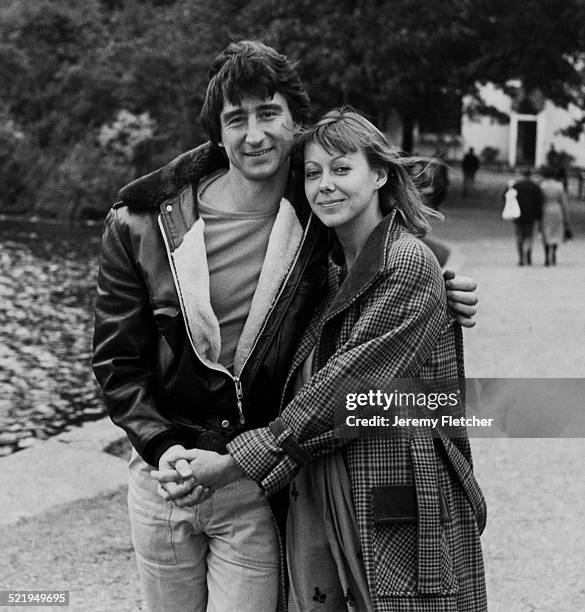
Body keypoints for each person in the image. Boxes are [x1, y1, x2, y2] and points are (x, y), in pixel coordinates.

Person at [93, 41, 479, 611]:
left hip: (258, 476)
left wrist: (438, 290)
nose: (254, 135)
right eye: (235, 120)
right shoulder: (140, 225)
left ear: (294, 122)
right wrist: (163, 444)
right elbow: (117, 362)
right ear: (217, 135)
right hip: (170, 469)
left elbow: (377, 268)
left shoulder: (317, 219)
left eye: (268, 113)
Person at [539, 165, 572, 266]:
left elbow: (539, 200)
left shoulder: (542, 186)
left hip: (545, 209)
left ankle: (546, 254)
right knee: (556, 232)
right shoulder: (559, 186)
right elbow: (564, 203)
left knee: (546, 233)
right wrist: (566, 217)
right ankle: (553, 252)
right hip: (557, 210)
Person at [512, 168, 544, 266]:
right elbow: (539, 203)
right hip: (531, 216)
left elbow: (507, 198)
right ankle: (528, 254)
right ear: (531, 175)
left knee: (519, 237)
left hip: (518, 215)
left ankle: (521, 257)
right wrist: (539, 216)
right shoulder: (535, 187)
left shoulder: (516, 186)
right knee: (529, 236)